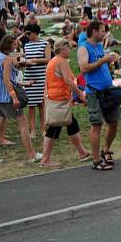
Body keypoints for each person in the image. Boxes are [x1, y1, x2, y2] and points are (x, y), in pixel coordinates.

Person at [0, 35, 42, 165]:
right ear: (9, 45)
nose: (16, 46)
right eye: (14, 44)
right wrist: (14, 97)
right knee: (23, 124)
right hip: (7, 98)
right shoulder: (7, 60)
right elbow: (6, 80)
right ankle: (32, 154)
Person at [39, 38, 90, 167]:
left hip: (55, 98)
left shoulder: (52, 62)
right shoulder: (62, 61)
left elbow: (48, 81)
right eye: (68, 48)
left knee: (71, 124)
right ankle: (45, 159)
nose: (70, 51)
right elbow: (68, 80)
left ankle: (82, 152)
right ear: (63, 49)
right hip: (60, 99)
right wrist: (81, 95)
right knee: (54, 128)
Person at [78, 20, 120, 170]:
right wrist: (103, 60)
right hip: (94, 92)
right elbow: (84, 68)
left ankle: (106, 149)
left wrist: (108, 62)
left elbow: (99, 65)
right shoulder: (84, 48)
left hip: (107, 90)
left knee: (113, 122)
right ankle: (96, 160)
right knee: (96, 125)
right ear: (94, 31)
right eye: (102, 30)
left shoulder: (100, 46)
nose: (104, 33)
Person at [23, 24, 51, 138]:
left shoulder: (45, 44)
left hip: (41, 76)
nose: (28, 36)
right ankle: (32, 131)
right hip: (29, 76)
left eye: (29, 33)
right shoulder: (26, 45)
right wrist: (24, 62)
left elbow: (48, 59)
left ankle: (43, 129)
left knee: (41, 104)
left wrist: (34, 60)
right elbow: (25, 58)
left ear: (35, 33)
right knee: (31, 105)